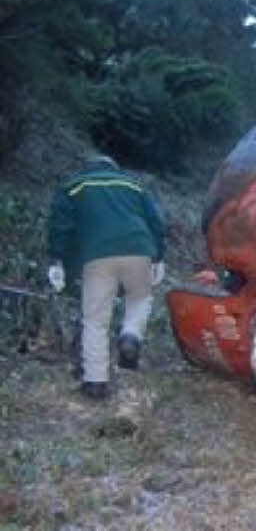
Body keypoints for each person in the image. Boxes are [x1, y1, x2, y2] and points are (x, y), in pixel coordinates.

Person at [46, 155, 166, 399]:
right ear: (115, 168)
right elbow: (156, 221)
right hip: (138, 248)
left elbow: (60, 225)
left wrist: (57, 260)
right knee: (139, 299)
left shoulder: (74, 186)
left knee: (95, 319)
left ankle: (96, 382)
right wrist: (158, 256)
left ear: (87, 168)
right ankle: (130, 335)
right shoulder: (133, 185)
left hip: (96, 255)